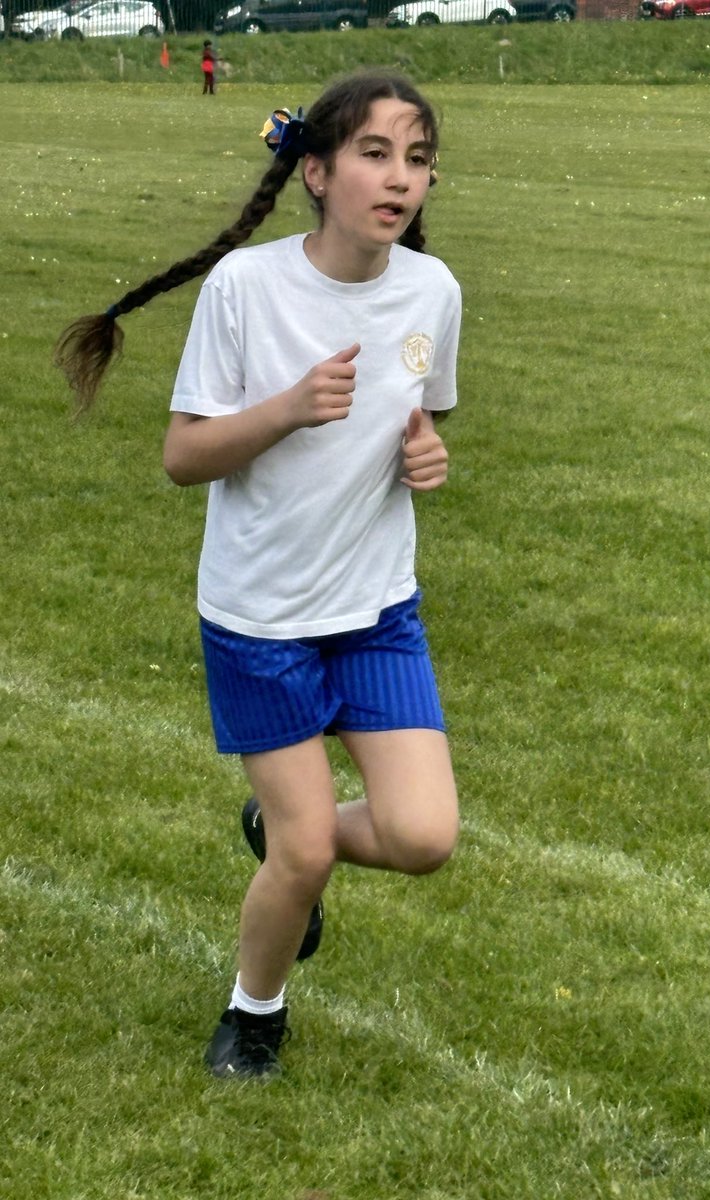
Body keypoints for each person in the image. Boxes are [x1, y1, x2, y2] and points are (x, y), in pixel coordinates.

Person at [54, 71, 462, 1079]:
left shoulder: (434, 291)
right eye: (374, 154)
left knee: (423, 836)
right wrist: (284, 408)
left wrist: (427, 454)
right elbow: (183, 455)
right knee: (309, 849)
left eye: (417, 160)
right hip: (261, 617)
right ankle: (256, 1014)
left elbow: (425, 411)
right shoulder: (250, 288)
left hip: (375, 610)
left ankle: (279, 829)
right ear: (316, 173)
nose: (398, 179)